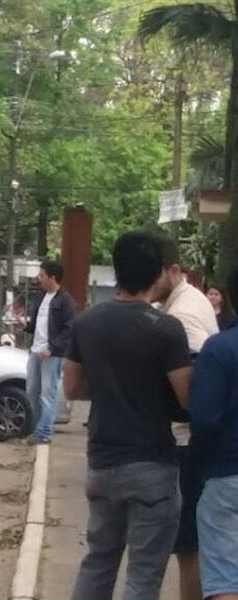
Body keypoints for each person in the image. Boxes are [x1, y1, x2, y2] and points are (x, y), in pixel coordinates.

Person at [64, 231, 192, 600]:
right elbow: (187, 397)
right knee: (143, 574)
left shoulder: (86, 323)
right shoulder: (167, 329)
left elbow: (71, 388)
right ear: (158, 275)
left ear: (118, 272)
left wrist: (108, 387)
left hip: (101, 462)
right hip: (152, 464)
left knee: (98, 561)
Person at [154, 240, 220, 600]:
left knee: (188, 545)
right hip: (195, 439)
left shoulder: (182, 314)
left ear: (175, 271)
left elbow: (193, 377)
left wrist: (178, 406)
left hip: (187, 441)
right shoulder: (187, 300)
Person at [190, 270, 238, 600]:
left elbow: (204, 420)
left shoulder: (219, 349)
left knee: (224, 580)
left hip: (227, 475)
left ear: (229, 298)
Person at [24, 260, 76, 444]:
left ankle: (44, 433)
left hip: (51, 355)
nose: (39, 279)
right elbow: (36, 322)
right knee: (31, 391)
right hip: (35, 351)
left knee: (48, 393)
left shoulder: (65, 300)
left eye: (42, 276)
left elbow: (69, 328)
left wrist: (52, 347)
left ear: (52, 278)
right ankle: (36, 429)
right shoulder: (40, 297)